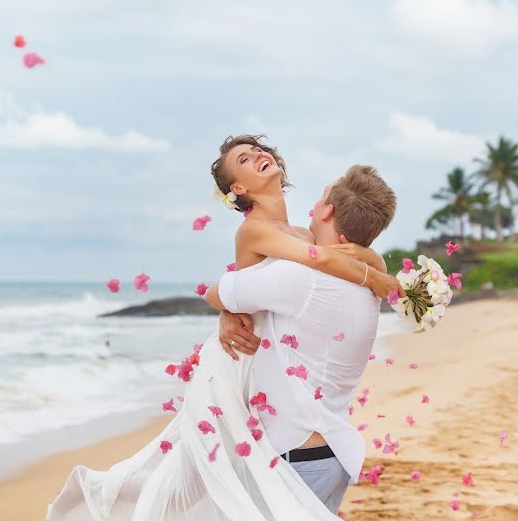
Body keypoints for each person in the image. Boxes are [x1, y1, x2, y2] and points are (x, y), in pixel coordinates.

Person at [47, 135, 400, 520]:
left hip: (276, 387)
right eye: (245, 159)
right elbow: (318, 259)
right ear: (239, 188)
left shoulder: (302, 232)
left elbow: (330, 254)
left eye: (259, 151)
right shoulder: (256, 230)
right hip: (245, 366)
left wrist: (370, 261)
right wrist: (374, 276)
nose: (259, 155)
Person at [206, 162, 397, 513]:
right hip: (330, 455)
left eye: (321, 197)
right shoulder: (367, 287)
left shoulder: (298, 279)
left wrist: (227, 310)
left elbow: (217, 292)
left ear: (328, 210)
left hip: (296, 458)